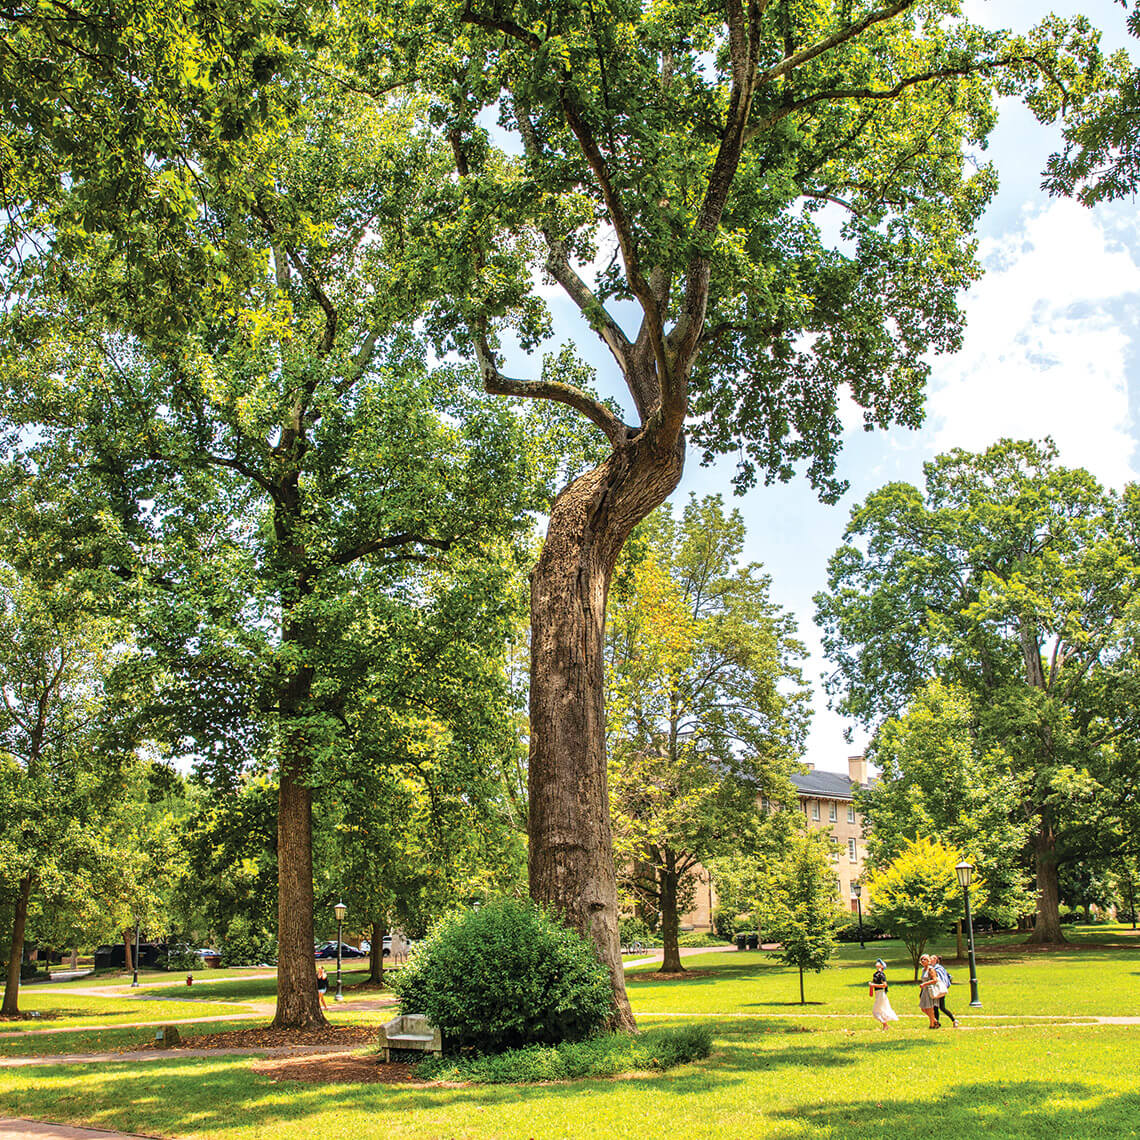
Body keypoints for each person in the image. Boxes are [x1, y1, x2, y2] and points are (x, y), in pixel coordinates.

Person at [869, 958, 898, 1030]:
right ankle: (885, 1025)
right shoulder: (875, 974)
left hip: (881, 993)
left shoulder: (881, 975)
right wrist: (871, 988)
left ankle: (885, 1024)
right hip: (877, 993)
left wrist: (873, 985)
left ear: (882, 966)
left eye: (879, 963)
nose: (877, 963)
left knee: (875, 1011)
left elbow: (884, 985)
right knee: (880, 1010)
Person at [931, 954, 958, 1027]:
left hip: (940, 989)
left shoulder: (937, 968)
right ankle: (936, 1023)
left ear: (936, 960)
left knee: (941, 1007)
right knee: (935, 1007)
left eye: (932, 959)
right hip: (937, 989)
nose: (931, 960)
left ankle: (954, 1020)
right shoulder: (935, 968)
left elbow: (943, 978)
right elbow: (949, 976)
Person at [918, 954, 940, 1028]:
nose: (923, 961)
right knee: (923, 1008)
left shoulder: (930, 969)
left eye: (925, 959)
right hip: (924, 990)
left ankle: (932, 1025)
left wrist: (925, 984)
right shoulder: (923, 970)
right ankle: (935, 1021)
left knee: (930, 1008)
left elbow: (935, 980)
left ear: (929, 961)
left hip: (929, 990)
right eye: (922, 959)